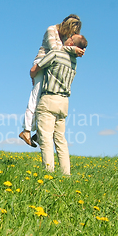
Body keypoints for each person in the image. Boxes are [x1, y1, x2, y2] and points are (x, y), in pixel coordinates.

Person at [19, 15, 84, 147]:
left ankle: (39, 132)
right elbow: (55, 50)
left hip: (54, 65)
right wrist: (72, 49)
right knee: (36, 95)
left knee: (47, 99)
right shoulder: (51, 30)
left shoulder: (67, 36)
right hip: (42, 62)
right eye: (69, 31)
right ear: (64, 24)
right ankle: (26, 130)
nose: (69, 35)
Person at [31, 34, 88, 175]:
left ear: (71, 42)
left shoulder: (56, 54)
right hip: (64, 103)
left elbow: (36, 69)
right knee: (60, 140)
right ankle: (66, 174)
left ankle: (49, 173)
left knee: (46, 139)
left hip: (49, 99)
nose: (67, 37)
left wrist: (33, 74)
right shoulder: (74, 60)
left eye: (70, 37)